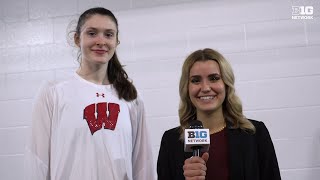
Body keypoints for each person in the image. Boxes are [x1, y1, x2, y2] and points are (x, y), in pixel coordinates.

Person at [25, 7, 155, 180]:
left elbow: (143, 164)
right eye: (92, 33)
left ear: (116, 41)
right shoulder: (53, 93)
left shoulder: (131, 97)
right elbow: (37, 161)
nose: (101, 41)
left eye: (108, 34)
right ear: (77, 38)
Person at [157, 48, 281, 180]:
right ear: (186, 88)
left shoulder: (255, 134)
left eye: (214, 78)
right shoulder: (171, 141)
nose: (205, 88)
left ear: (226, 84)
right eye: (195, 80)